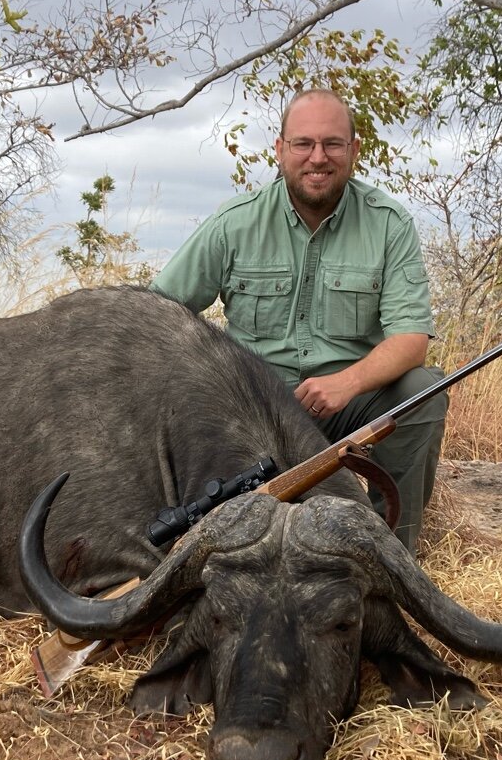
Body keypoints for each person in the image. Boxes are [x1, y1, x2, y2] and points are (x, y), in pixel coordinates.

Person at [150, 87, 445, 554]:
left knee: (422, 392)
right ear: (281, 150)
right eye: (303, 144)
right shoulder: (233, 223)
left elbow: (411, 340)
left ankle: (393, 556)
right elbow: (156, 315)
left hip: (344, 407)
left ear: (354, 151)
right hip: (248, 411)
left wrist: (345, 384)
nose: (318, 158)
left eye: (332, 144)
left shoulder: (390, 224)